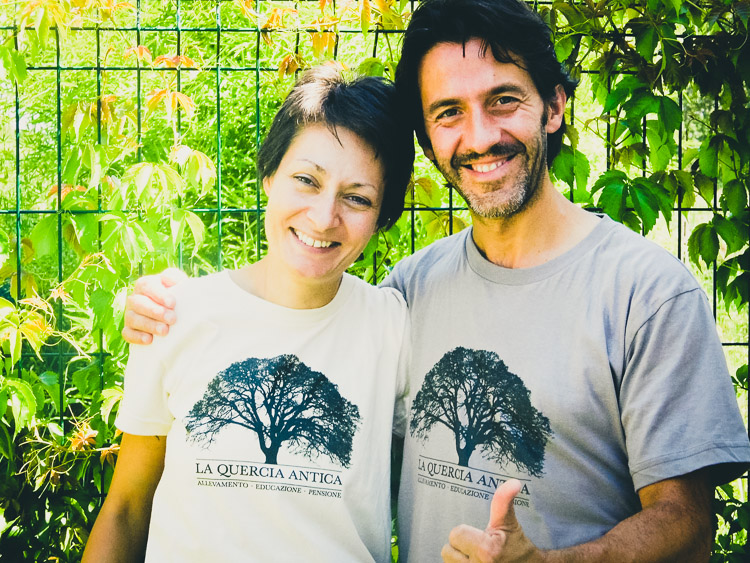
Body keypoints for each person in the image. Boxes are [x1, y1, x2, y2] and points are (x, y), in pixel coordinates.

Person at [121, 0, 750, 561]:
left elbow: (688, 524)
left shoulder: (649, 294)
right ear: (427, 140)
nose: (479, 137)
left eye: (503, 100)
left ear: (554, 106)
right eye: (449, 112)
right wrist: (165, 307)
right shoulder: (410, 291)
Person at [82, 66, 414, 562]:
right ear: (269, 176)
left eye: (357, 198)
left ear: (382, 217)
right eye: (306, 180)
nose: (324, 217)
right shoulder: (174, 316)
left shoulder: (393, 329)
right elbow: (127, 508)